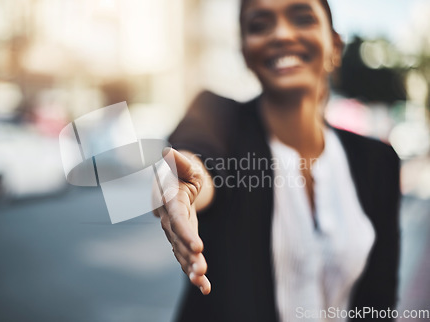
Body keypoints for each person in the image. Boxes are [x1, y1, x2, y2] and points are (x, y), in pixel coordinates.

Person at [153, 0, 401, 321]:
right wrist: (180, 185)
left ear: (334, 45)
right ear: (244, 52)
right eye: (259, 25)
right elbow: (195, 159)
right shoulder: (220, 118)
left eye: (302, 18)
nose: (282, 34)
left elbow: (379, 303)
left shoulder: (377, 162)